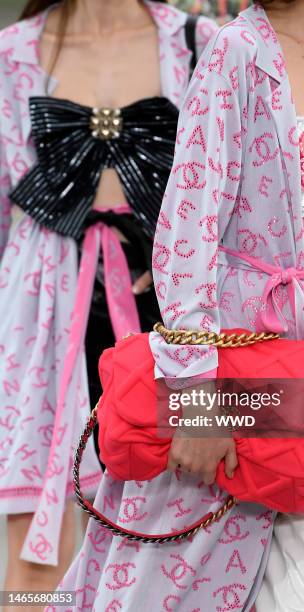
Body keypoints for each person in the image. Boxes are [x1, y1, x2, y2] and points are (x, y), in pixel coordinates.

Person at [59, 1, 304, 610]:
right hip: (245, 371)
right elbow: (187, 236)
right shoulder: (236, 50)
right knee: (189, 581)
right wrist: (194, 398)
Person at [0, 0, 217, 597]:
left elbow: (240, 199)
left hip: (173, 320)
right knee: (33, 549)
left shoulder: (202, 41)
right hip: (40, 315)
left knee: (175, 535)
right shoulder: (11, 53)